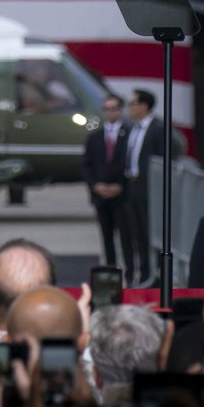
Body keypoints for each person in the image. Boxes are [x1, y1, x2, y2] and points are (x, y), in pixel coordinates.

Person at [123, 87, 177, 287]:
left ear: (144, 106)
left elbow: (165, 158)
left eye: (133, 104)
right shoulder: (131, 128)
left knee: (150, 232)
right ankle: (143, 272)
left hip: (150, 188)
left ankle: (155, 275)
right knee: (137, 233)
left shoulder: (158, 129)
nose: (130, 108)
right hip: (133, 185)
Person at [82, 93, 129, 275]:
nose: (110, 112)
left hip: (121, 195)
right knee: (106, 235)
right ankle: (110, 271)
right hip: (100, 195)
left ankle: (130, 270)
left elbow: (130, 163)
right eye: (106, 109)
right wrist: (95, 185)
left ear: (120, 110)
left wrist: (120, 186)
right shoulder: (95, 137)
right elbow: (87, 164)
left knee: (125, 235)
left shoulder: (128, 134)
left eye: (113, 108)